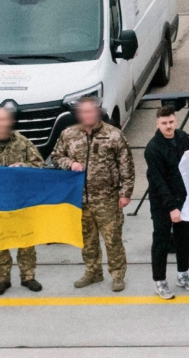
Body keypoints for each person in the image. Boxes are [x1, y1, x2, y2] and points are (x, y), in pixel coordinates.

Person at [51, 98, 134, 292]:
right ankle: (93, 272)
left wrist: (126, 193)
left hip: (108, 198)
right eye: (84, 112)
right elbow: (55, 157)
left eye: (91, 112)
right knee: (87, 240)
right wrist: (70, 164)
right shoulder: (68, 135)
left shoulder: (113, 134)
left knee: (112, 239)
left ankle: (117, 275)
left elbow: (126, 165)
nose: (87, 116)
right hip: (80, 199)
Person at [0, 107, 46, 296]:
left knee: (26, 241)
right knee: (0, 243)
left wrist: (22, 166)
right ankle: (2, 280)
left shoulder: (23, 143)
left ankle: (28, 276)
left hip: (22, 201)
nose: (2, 124)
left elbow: (40, 166)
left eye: (5, 120)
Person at [144, 106, 189, 299]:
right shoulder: (152, 149)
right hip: (162, 202)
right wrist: (172, 207)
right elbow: (158, 182)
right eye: (164, 123)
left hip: (183, 198)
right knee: (161, 240)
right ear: (157, 124)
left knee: (184, 238)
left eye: (171, 122)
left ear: (176, 121)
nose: (168, 126)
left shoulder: (182, 137)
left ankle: (183, 274)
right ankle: (160, 282)